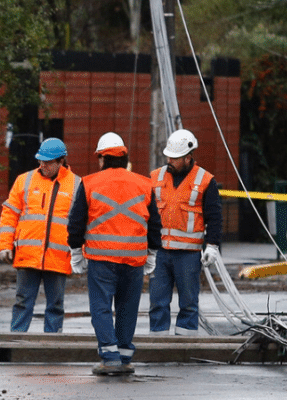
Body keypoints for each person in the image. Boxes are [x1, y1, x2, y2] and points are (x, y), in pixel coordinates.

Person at [67, 132, 162, 376]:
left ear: (102, 158)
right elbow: (154, 223)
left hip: (102, 258)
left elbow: (76, 221)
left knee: (101, 308)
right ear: (124, 158)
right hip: (134, 258)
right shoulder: (144, 183)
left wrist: (75, 251)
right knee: (128, 307)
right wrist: (152, 252)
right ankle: (125, 356)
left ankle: (109, 357)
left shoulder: (88, 183)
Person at [0, 137, 81, 333]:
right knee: (22, 302)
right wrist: (5, 245)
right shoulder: (24, 181)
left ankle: (52, 346)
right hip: (28, 255)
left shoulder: (77, 185)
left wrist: (80, 253)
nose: (43, 165)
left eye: (48, 162)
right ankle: (16, 342)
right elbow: (9, 214)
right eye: (41, 161)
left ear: (62, 161)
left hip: (58, 257)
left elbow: (81, 223)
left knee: (56, 306)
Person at [148, 128, 223, 336]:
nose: (170, 160)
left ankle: (186, 345)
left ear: (188, 158)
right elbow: (146, 213)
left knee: (189, 304)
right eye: (168, 156)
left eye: (175, 157)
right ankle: (158, 345)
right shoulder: (155, 177)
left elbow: (214, 217)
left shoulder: (205, 181)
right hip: (161, 252)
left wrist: (212, 246)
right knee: (157, 302)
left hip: (188, 254)